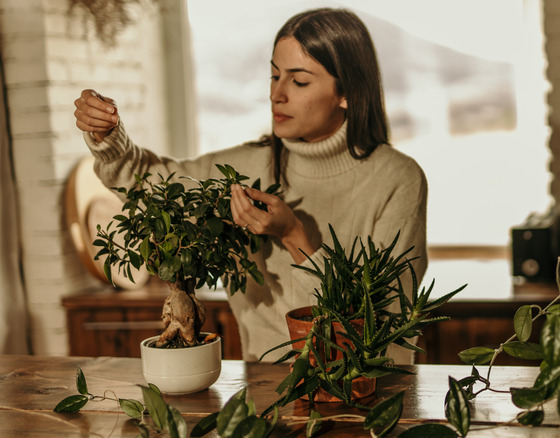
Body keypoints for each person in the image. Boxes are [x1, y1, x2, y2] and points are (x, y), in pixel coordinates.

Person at [73, 8, 427, 364]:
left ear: (346, 92)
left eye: (299, 81)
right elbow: (148, 183)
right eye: (274, 76)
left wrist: (293, 235)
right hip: (266, 392)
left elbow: (384, 319)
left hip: (369, 391)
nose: (277, 94)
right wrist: (108, 135)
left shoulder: (398, 179)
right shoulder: (244, 169)